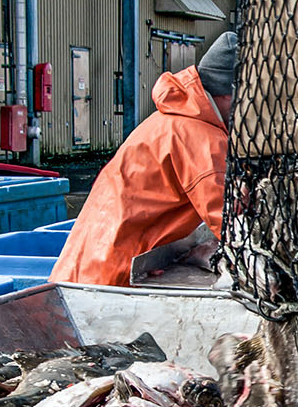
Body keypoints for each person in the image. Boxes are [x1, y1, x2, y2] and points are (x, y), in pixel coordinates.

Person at [49, 30, 237, 287]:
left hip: (89, 264)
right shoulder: (199, 135)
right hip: (111, 276)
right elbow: (229, 222)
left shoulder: (171, 119)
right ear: (229, 93)